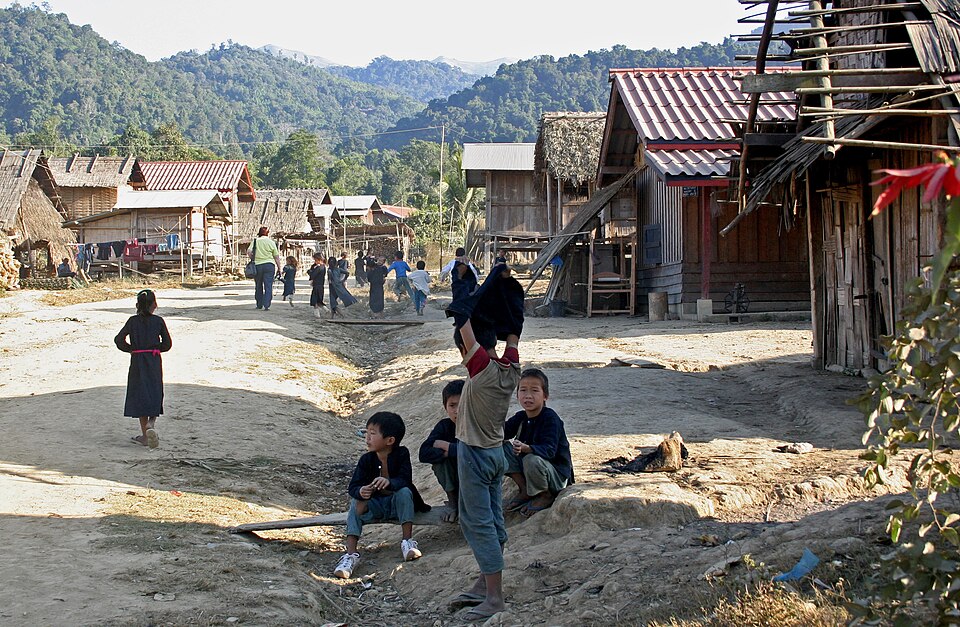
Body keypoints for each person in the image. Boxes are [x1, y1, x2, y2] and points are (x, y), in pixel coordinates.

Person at [445, 260, 525, 620]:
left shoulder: (481, 369)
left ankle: (494, 598)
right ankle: (484, 582)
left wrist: (464, 287)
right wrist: (501, 285)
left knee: (477, 523)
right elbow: (513, 330)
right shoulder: (511, 370)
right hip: (496, 454)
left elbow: (463, 322)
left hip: (476, 456)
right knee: (494, 520)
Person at [334, 411, 431, 579]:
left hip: (397, 506)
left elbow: (406, 479)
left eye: (373, 434)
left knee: (404, 491)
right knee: (356, 502)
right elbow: (353, 486)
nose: (368, 438)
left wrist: (390, 483)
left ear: (390, 440)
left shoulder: (402, 454)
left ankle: (407, 541)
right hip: (376, 507)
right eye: (367, 433)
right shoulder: (366, 460)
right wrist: (361, 491)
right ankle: (350, 555)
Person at [502, 368, 573, 517]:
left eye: (534, 391)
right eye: (523, 391)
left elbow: (549, 451)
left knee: (531, 459)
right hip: (532, 469)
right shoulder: (521, 417)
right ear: (517, 395)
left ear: (545, 396)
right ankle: (525, 489)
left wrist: (527, 448)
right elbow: (502, 433)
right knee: (500, 447)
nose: (528, 396)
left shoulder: (550, 418)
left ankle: (545, 495)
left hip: (556, 475)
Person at [114, 289, 173, 449]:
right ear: (154, 305)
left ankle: (144, 435)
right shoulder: (159, 321)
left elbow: (118, 340)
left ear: (137, 305)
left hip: (138, 361)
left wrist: (132, 349)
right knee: (154, 391)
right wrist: (156, 348)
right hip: (153, 360)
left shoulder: (132, 321)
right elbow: (167, 344)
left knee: (140, 392)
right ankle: (151, 424)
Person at [418, 379, 464, 523]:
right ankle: (453, 502)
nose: (457, 410)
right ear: (445, 408)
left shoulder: (477, 426)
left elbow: (477, 452)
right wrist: (447, 453)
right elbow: (424, 453)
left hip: (476, 477)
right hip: (455, 477)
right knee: (440, 463)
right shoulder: (444, 426)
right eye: (452, 405)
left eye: (462, 404)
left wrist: (447, 447)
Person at [248, 226, 283, 311]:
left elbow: (249, 252)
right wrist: (279, 268)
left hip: (258, 265)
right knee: (268, 285)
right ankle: (267, 304)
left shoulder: (255, 241)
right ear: (268, 233)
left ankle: (259, 304)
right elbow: (276, 256)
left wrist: (253, 258)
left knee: (258, 285)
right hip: (269, 266)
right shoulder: (271, 242)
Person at [307, 253, 327, 318]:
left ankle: (317, 314)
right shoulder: (323, 267)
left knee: (315, 301)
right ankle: (327, 310)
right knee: (319, 301)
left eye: (315, 260)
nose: (315, 261)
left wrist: (309, 272)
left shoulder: (318, 268)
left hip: (316, 286)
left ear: (319, 259)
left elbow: (313, 275)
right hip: (321, 286)